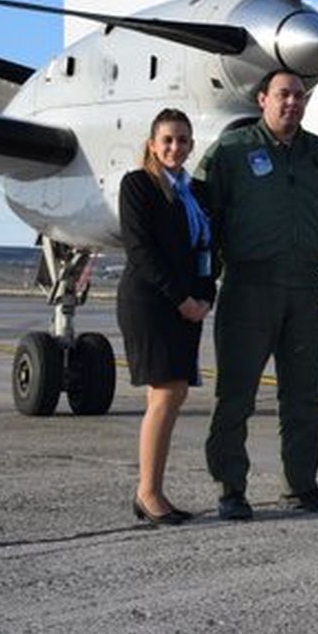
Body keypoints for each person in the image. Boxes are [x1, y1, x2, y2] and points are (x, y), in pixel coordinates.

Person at [198, 70, 318, 520]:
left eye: (300, 96)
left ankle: (300, 486)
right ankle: (230, 488)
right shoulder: (231, 151)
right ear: (262, 99)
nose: (292, 103)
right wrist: (205, 280)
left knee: (305, 394)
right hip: (249, 285)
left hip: (305, 286)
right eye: (283, 95)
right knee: (236, 394)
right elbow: (205, 219)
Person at [118, 109, 216, 526]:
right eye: (168, 140)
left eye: (183, 140)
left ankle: (153, 488)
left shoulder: (199, 193)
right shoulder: (139, 184)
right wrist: (181, 299)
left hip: (189, 303)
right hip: (152, 300)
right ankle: (149, 492)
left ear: (192, 145)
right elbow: (141, 250)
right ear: (153, 144)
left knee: (172, 395)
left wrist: (205, 296)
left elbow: (211, 250)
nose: (175, 147)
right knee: (165, 393)